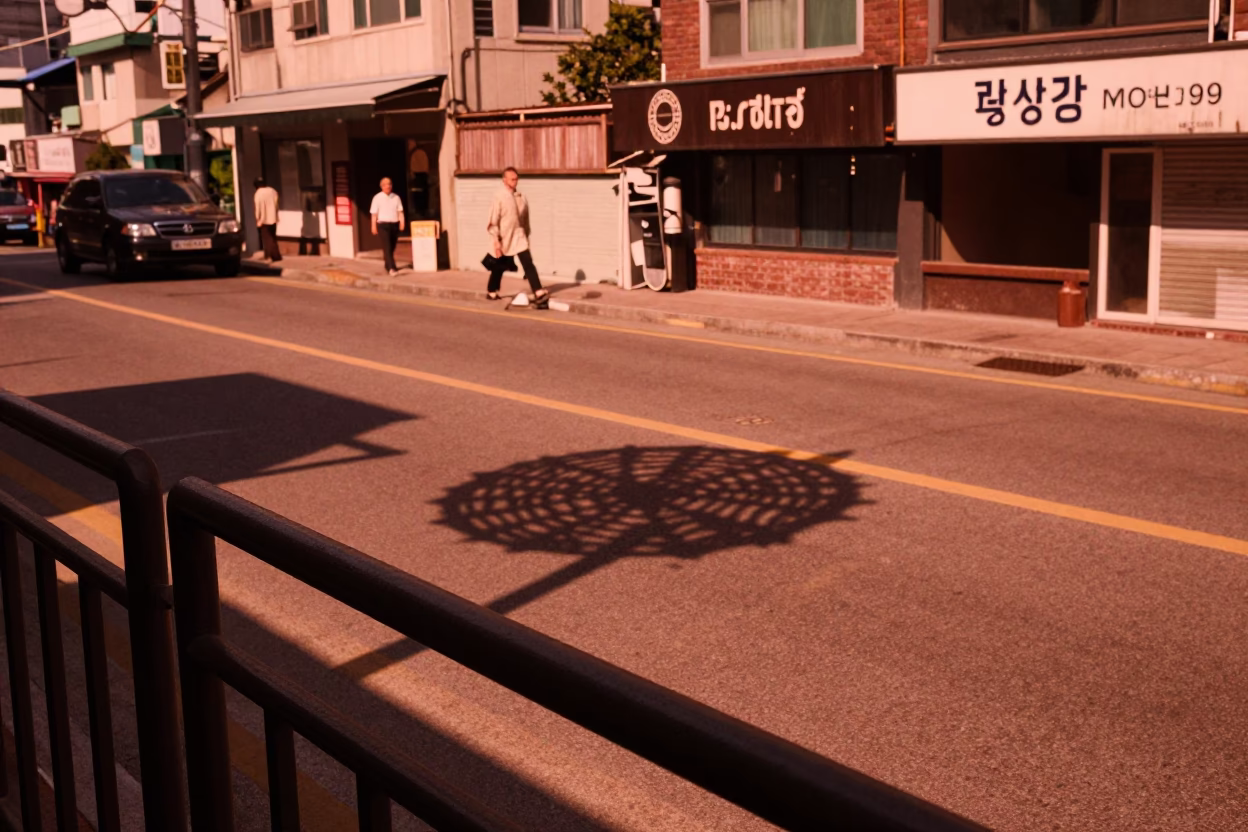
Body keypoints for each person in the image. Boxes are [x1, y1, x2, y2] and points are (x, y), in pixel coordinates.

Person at [486, 166, 547, 304]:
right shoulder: (499, 197)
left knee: (528, 262)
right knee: (500, 265)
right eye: (512, 179)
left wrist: (526, 235)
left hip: (519, 236)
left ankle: (538, 291)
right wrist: (496, 242)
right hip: (504, 237)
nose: (515, 181)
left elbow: (525, 219)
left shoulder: (521, 197)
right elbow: (493, 221)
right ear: (504, 180)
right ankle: (491, 290)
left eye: (516, 178)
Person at [370, 177, 405, 275]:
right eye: (385, 185)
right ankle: (392, 268)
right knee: (387, 247)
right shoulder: (377, 197)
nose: (388, 186)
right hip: (383, 225)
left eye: (389, 184)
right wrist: (373, 226)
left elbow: (400, 211)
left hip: (394, 224)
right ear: (381, 187)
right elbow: (374, 214)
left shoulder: (396, 197)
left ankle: (387, 264)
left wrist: (402, 223)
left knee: (392, 247)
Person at [253, 177, 281, 263]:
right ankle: (272, 255)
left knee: (267, 238)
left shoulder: (258, 193)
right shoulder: (272, 191)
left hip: (263, 220)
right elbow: (277, 204)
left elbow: (257, 208)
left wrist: (257, 218)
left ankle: (274, 256)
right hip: (273, 218)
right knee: (273, 237)